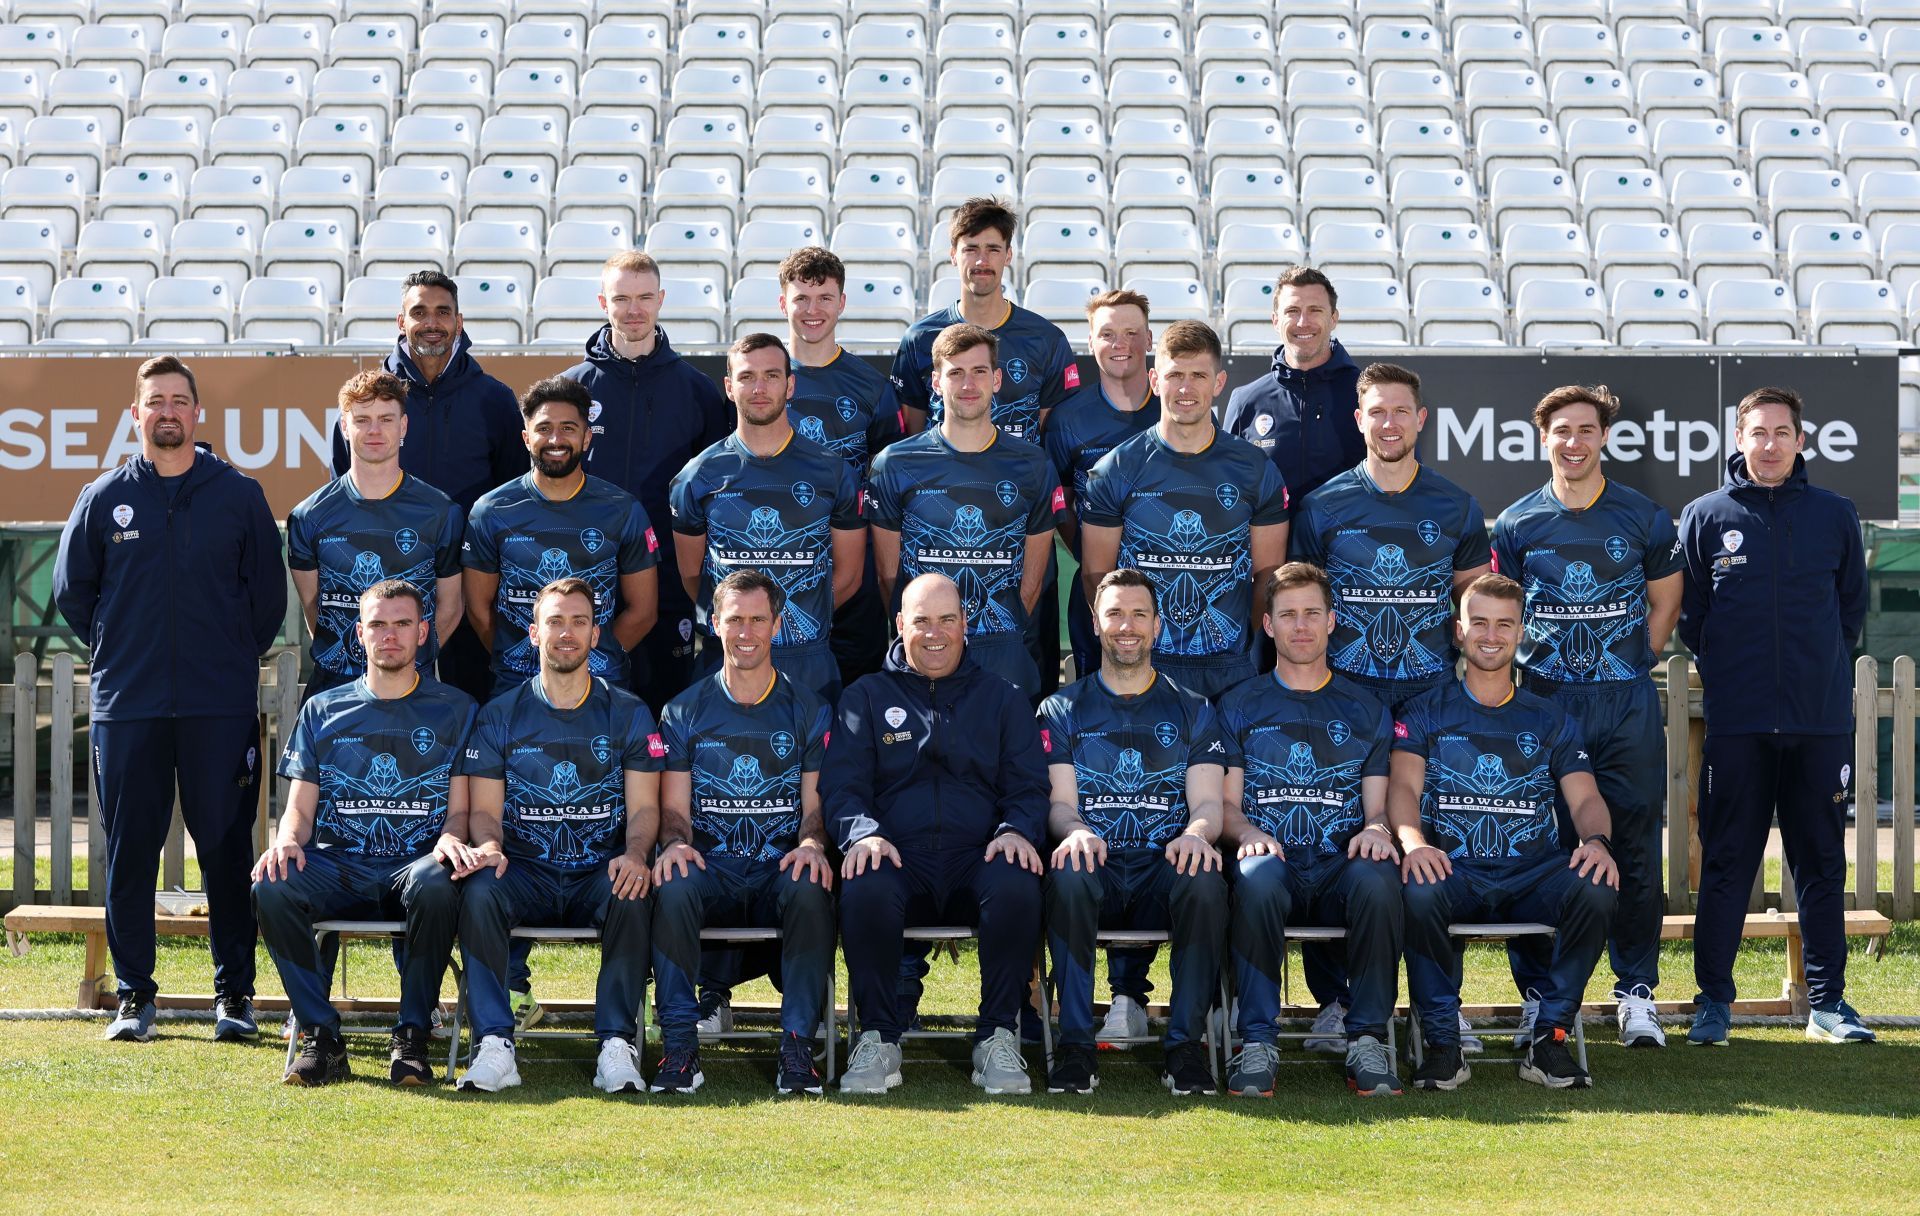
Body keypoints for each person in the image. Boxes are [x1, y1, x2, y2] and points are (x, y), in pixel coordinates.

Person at [54, 355, 286, 1044]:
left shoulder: (238, 495)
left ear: (197, 413)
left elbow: (266, 601)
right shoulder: (103, 498)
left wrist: (226, 659)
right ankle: (134, 997)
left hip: (219, 707)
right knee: (130, 854)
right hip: (131, 706)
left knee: (223, 853)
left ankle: (235, 996)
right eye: (155, 401)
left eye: (180, 401)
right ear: (136, 414)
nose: (168, 412)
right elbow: (74, 594)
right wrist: (122, 648)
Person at [1288, 361, 1492, 1054]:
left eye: (1401, 411)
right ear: (1359, 420)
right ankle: (1337, 1002)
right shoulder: (1322, 507)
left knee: (1434, 848)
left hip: (1429, 704)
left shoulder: (1456, 507)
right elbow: (1303, 603)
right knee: (1337, 841)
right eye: (1376, 412)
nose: (1389, 423)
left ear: (1421, 420)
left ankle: (1443, 1000)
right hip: (1341, 705)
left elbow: (1474, 610)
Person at [1678, 386, 1872, 1046]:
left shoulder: (1834, 514)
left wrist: (1810, 673)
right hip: (1739, 724)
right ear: (1738, 440)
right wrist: (1741, 677)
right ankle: (1714, 1004)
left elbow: (1849, 613)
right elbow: (1693, 620)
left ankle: (1828, 1007)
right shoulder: (1705, 516)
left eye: (1780, 432)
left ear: (1800, 440)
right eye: (1756, 433)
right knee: (1728, 861)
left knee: (1820, 863)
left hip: (1819, 724)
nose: (1768, 444)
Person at [1491, 385, 1682, 1049]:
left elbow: (1664, 606)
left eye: (1585, 430)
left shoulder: (1643, 517)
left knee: (1631, 845)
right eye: (1561, 431)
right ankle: (1543, 998)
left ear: (1605, 438)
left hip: (1623, 701)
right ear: (1542, 438)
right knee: (1541, 847)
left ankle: (1636, 993)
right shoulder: (1516, 525)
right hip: (1544, 703)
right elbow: (1505, 611)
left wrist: (1627, 662)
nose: (1573, 442)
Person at [1389, 574, 1620, 1091]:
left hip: (1534, 874)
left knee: (1598, 884)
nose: (1490, 636)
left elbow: (1584, 797)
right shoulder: (1424, 710)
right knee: (1417, 889)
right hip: (1456, 870)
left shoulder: (1549, 716)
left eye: (1504, 625)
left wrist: (1597, 844)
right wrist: (1414, 842)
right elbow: (1402, 789)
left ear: (1520, 633)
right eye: (1480, 623)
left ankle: (1550, 1038)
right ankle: (1445, 1043)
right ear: (1459, 630)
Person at [823, 573, 1048, 1096]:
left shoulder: (1003, 698)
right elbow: (842, 787)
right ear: (900, 625)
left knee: (1018, 877)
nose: (935, 633)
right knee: (865, 878)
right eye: (921, 621)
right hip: (899, 855)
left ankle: (997, 1035)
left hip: (979, 853)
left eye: (947, 620)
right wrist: (863, 835)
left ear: (965, 624)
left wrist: (1016, 830)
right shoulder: (865, 697)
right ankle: (879, 1037)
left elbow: (1030, 786)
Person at [252, 580, 477, 1086]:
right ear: (360, 633)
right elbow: (299, 813)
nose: (389, 636)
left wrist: (450, 838)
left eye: (401, 624)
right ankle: (320, 1037)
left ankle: (413, 1036)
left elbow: (461, 812)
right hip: (342, 867)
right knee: (271, 883)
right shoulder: (323, 709)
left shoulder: (457, 709)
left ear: (423, 633)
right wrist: (286, 839)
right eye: (377, 624)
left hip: (415, 868)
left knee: (438, 881)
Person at [454, 577, 663, 1094]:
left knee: (633, 887)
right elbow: (484, 811)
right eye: (554, 621)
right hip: (523, 870)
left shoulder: (629, 712)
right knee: (479, 888)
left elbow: (644, 809)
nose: (566, 633)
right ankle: (494, 1043)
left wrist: (636, 854)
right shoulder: (499, 714)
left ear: (596, 636)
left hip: (598, 871)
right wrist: (489, 846)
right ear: (533, 633)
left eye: (578, 622)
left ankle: (617, 1044)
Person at [1216, 562, 1404, 1099]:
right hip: (1271, 866)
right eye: (1288, 615)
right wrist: (1247, 831)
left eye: (1312, 614)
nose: (1301, 626)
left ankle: (1366, 1039)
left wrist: (1375, 829)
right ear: (1269, 625)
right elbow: (1226, 808)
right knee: (1252, 873)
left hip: (1335, 868)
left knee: (1376, 875)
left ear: (1332, 621)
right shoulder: (1238, 705)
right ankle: (1256, 1044)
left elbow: (1378, 809)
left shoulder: (1365, 708)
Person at [1039, 570, 1229, 1097]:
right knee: (1069, 870)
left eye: (1139, 614)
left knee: (1205, 878)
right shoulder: (1061, 708)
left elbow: (1210, 802)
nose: (1127, 626)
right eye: (1115, 614)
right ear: (1096, 624)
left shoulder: (1193, 708)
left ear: (1157, 625)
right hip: (1097, 869)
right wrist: (1075, 832)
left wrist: (1195, 834)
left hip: (1160, 869)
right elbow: (1059, 804)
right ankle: (1076, 1047)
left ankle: (1185, 1047)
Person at [650, 571, 836, 1095]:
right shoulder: (683, 710)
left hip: (780, 867)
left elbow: (815, 808)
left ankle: (798, 1050)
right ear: (715, 623)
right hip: (715, 869)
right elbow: (673, 810)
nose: (746, 632)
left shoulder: (809, 708)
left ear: (778, 625)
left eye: (758, 619)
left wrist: (810, 844)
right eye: (735, 619)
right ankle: (681, 1049)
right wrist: (676, 843)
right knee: (674, 881)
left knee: (810, 881)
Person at [328, 270, 525, 702]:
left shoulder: (494, 400)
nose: (431, 322)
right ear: (401, 320)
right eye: (419, 312)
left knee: (467, 713)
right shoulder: (369, 402)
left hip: (471, 585)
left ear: (459, 321)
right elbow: (344, 493)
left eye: (442, 312)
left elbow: (513, 498)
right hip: (383, 585)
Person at [1079, 320, 1290, 699]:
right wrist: (1129, 646)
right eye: (1175, 375)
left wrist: (1237, 642)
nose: (1186, 388)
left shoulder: (1255, 469)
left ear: (1219, 383)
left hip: (1229, 668)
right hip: (1142, 665)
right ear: (1155, 380)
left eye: (1198, 375)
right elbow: (1097, 574)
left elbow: (1267, 576)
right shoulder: (1117, 468)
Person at [561, 250, 733, 710]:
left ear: (661, 300)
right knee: (588, 712)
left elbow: (713, 494)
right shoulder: (571, 390)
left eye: (643, 297)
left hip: (668, 584)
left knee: (665, 708)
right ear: (603, 302)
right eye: (621, 298)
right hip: (588, 575)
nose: (633, 310)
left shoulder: (697, 390)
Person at [866, 323, 1063, 700]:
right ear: (936, 382)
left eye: (979, 372)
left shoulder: (1034, 465)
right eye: (955, 372)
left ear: (997, 379)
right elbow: (888, 574)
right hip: (926, 647)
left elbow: (1033, 577)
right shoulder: (895, 463)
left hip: (1002, 649)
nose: (968, 384)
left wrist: (999, 629)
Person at [670, 333, 865, 706]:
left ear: (790, 385)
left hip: (807, 661)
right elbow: (693, 576)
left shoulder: (833, 472)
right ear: (729, 387)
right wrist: (744, 629)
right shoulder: (698, 475)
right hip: (724, 659)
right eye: (746, 377)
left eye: (772, 376)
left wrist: (802, 614)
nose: (759, 388)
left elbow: (851, 574)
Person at [462, 376, 660, 699]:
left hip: (600, 688)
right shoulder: (490, 510)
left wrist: (590, 658)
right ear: (526, 438)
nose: (556, 439)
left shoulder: (624, 510)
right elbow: (479, 611)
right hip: (517, 687)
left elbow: (644, 611)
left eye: (568, 428)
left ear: (586, 438)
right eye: (544, 428)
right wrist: (521, 659)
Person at [289, 371, 464, 699]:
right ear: (344, 427)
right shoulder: (309, 516)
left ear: (403, 427)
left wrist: (404, 661)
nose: (373, 430)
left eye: (386, 419)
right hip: (334, 689)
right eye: (362, 419)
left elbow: (451, 607)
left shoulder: (441, 512)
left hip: (413, 689)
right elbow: (315, 610)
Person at [779, 245, 904, 689]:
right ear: (783, 304)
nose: (813, 311)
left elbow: (889, 482)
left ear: (842, 303)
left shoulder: (871, 386)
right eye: (801, 299)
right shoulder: (761, 381)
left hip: (856, 578)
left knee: (856, 709)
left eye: (825, 298)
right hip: (778, 570)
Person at [891, 196, 1079, 442]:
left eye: (993, 249)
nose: (982, 261)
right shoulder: (920, 338)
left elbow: (1056, 440)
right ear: (953, 255)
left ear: (1008, 255)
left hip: (1019, 480)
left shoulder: (1046, 339)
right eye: (971, 249)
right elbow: (911, 437)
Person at [1044, 288, 1161, 680]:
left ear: (1149, 339)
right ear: (1091, 341)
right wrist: (1088, 551)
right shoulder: (1068, 419)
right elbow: (1058, 497)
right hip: (1098, 587)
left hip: (1171, 584)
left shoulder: (1177, 409)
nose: (1120, 344)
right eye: (1108, 333)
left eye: (1131, 333)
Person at [1220, 266, 1364, 502]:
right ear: (1276, 321)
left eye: (1315, 310)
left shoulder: (1367, 396)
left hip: (1348, 539)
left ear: (1334, 318)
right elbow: (1227, 491)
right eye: (1292, 311)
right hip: (1268, 539)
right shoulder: (1246, 401)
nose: (1303, 322)